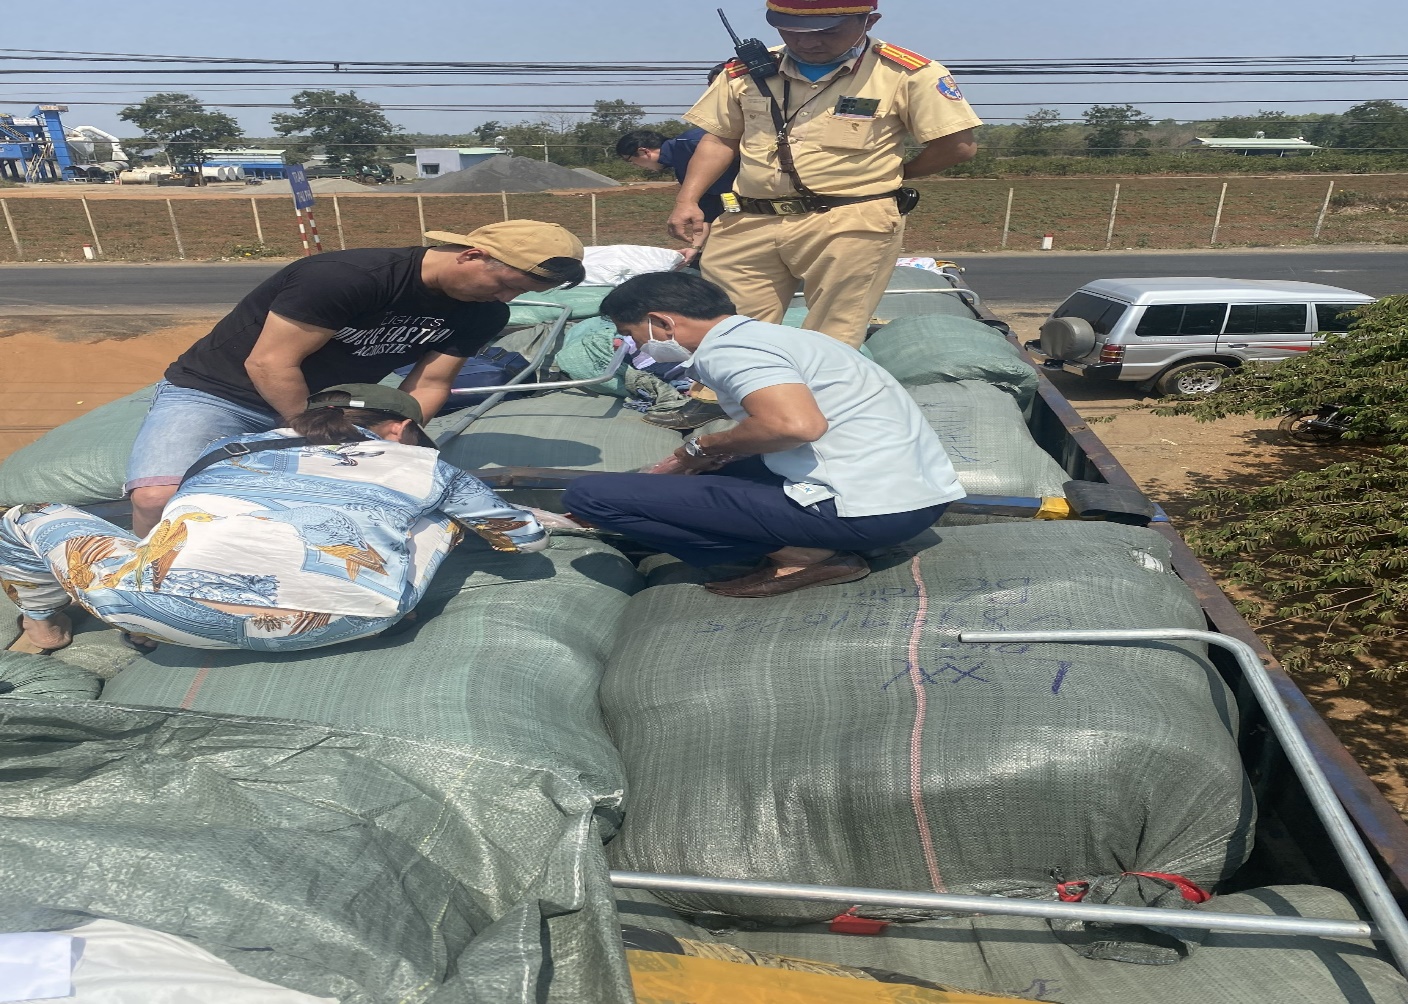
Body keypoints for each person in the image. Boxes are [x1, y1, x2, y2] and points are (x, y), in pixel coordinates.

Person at [1, 385, 547, 654]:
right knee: (441, 518)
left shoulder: (225, 450)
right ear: (399, 429)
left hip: (145, 612)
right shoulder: (421, 464)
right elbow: (522, 538)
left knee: (25, 515)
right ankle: (383, 595)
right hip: (354, 620)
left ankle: (44, 627)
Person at [125, 220, 586, 536]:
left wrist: (397, 440)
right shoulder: (348, 278)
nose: (505, 300)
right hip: (217, 393)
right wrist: (318, 434)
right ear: (472, 255)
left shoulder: (483, 314)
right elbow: (269, 364)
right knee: (158, 497)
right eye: (506, 285)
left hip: (335, 403)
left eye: (521, 294)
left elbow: (429, 384)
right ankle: (142, 587)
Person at [649, 0, 982, 431]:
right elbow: (719, 139)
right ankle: (718, 400)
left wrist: (891, 176)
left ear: (868, 21)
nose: (808, 42)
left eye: (827, 30)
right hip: (750, 218)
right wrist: (687, 200)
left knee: (834, 325)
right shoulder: (747, 71)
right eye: (793, 30)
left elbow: (957, 145)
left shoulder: (906, 73)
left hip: (850, 219)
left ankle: (818, 412)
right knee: (728, 321)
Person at [561, 272, 965, 598]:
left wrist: (698, 448)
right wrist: (716, 457)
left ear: (662, 323)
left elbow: (794, 426)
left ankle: (804, 555)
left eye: (632, 333)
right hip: (917, 499)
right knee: (697, 478)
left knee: (591, 496)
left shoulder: (730, 352)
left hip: (868, 512)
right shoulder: (782, 337)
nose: (636, 345)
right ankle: (806, 536)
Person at [616, 127, 741, 247]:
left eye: (630, 161)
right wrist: (694, 247)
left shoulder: (692, 142)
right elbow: (707, 210)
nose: (635, 166)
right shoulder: (682, 172)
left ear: (644, 151)